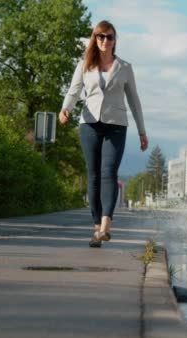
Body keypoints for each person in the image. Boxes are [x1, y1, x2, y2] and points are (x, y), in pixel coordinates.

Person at [59, 20, 148, 248]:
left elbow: (134, 101)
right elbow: (74, 91)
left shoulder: (125, 68)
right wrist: (65, 108)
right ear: (94, 39)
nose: (104, 41)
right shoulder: (85, 65)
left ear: (114, 40)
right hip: (89, 124)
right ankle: (96, 227)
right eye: (100, 36)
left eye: (108, 37)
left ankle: (106, 224)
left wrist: (142, 131)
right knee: (93, 175)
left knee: (109, 172)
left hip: (116, 125)